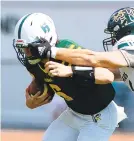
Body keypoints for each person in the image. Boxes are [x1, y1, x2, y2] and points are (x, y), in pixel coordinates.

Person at [13, 13, 126, 141]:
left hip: (100, 116)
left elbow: (107, 75)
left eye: (30, 48)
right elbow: (44, 84)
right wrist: (32, 101)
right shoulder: (33, 64)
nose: (26, 53)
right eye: (22, 48)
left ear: (46, 40)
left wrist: (70, 70)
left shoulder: (66, 50)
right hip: (74, 114)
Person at [42, 7, 134, 92]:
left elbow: (93, 58)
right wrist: (71, 71)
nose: (112, 38)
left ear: (127, 31)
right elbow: (110, 72)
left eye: (114, 33)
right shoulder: (126, 60)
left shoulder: (130, 44)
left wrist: (50, 51)